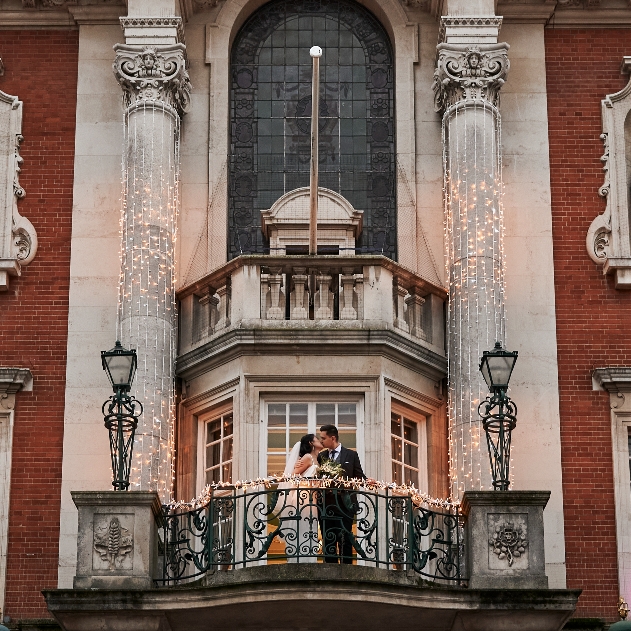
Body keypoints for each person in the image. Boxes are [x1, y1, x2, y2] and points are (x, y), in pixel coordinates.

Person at [318, 424, 366, 564]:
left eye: (323, 438)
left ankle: (347, 570)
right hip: (326, 505)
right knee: (328, 539)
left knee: (345, 537)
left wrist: (368, 481)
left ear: (332, 438)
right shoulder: (321, 456)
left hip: (346, 504)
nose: (321, 441)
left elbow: (359, 476)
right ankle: (329, 572)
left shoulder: (351, 455)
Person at [280, 433, 323, 563]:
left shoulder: (318, 459)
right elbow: (292, 476)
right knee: (303, 525)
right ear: (311, 443)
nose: (320, 440)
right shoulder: (307, 457)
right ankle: (299, 559)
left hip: (313, 498)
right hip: (303, 497)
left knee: (311, 526)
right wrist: (306, 482)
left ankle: (310, 559)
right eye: (317, 438)